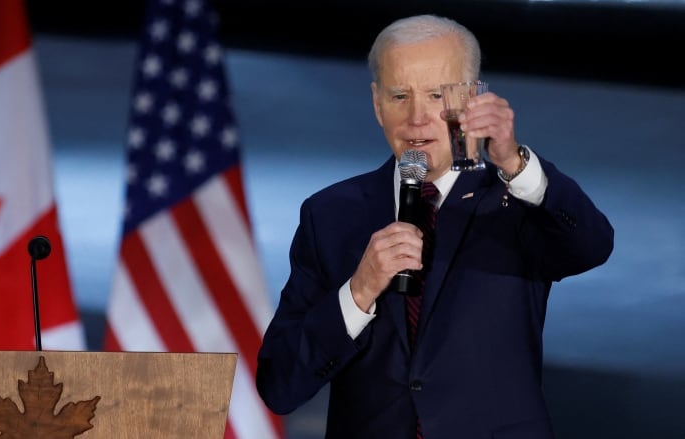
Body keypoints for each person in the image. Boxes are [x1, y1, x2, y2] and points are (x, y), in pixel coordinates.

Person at [255, 14, 615, 439]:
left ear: (473, 100)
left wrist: (516, 163)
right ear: (376, 104)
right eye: (400, 95)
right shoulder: (331, 215)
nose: (416, 119)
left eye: (435, 95)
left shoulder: (514, 199)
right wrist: (357, 293)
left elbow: (592, 245)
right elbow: (280, 385)